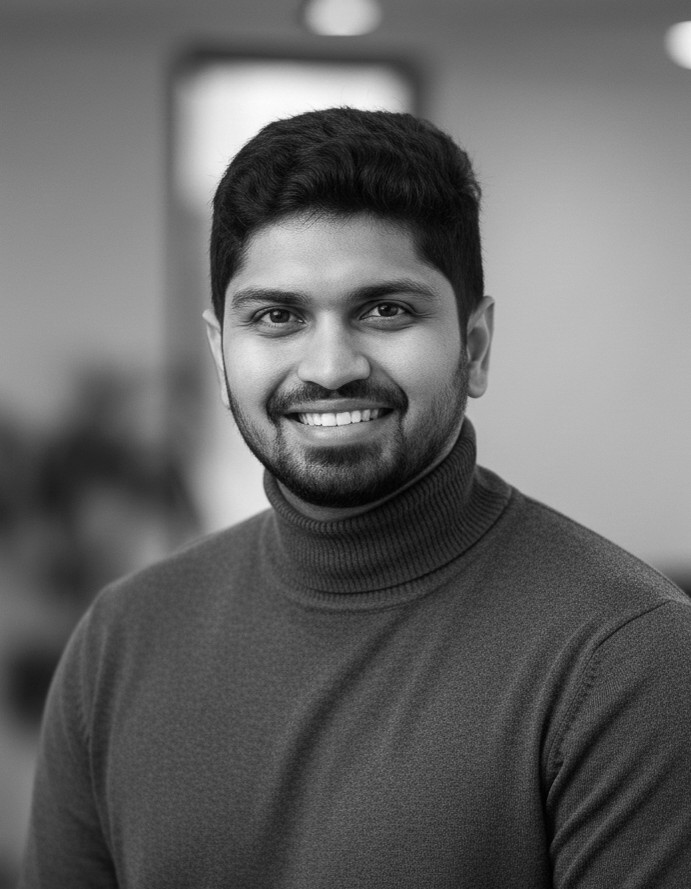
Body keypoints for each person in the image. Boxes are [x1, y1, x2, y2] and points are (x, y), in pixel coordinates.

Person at [20, 107, 691, 888]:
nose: (330, 366)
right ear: (220, 351)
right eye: (278, 316)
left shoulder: (625, 655)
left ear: (474, 347)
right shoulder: (119, 642)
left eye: (385, 310)